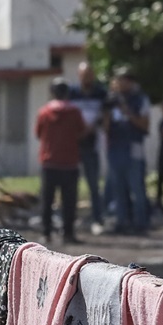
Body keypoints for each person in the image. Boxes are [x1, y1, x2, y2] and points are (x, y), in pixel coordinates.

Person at [34, 78, 86, 243]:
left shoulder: (44, 112)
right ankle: (68, 233)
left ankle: (46, 232)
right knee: (69, 201)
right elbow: (82, 131)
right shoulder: (75, 111)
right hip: (70, 162)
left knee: (47, 200)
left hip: (49, 161)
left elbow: (38, 133)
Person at [105, 67, 152, 234]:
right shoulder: (111, 100)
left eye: (124, 80)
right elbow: (106, 126)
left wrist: (128, 112)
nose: (120, 83)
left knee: (137, 186)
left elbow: (145, 125)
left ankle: (141, 223)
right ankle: (122, 221)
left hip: (133, 147)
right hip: (116, 148)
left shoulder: (140, 99)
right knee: (118, 187)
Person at [70, 61, 109, 226]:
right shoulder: (72, 93)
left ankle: (97, 218)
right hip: (73, 145)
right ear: (79, 76)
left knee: (93, 184)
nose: (86, 78)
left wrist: (93, 127)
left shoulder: (101, 93)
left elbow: (105, 115)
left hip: (92, 144)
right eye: (83, 75)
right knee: (71, 184)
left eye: (89, 75)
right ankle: (71, 218)